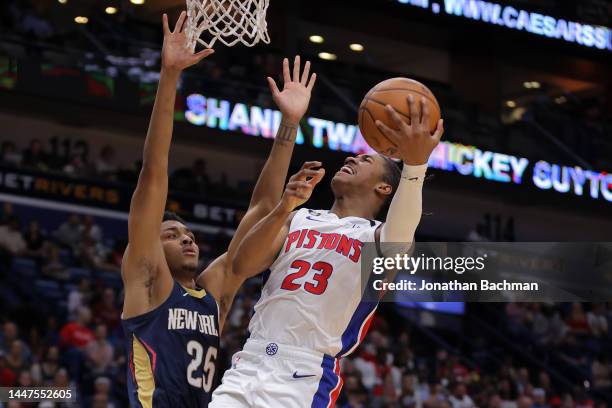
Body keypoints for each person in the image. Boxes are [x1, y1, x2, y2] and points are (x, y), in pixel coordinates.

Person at [120, 10, 316, 408]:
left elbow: (261, 208)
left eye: (187, 233)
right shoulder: (148, 280)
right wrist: (170, 75)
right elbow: (154, 173)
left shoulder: (213, 294)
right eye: (171, 235)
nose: (186, 238)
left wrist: (289, 124)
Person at [211, 97, 443, 406]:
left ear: (384, 188)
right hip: (250, 359)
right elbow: (241, 265)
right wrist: (283, 207)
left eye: (365, 160)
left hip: (304, 374)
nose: (351, 158)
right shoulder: (298, 217)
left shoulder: (378, 237)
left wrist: (415, 165)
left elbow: (404, 225)